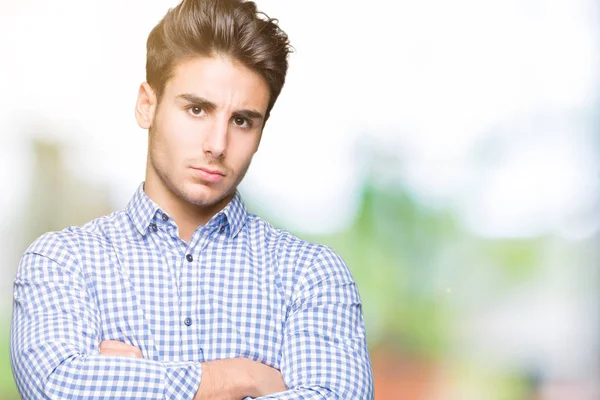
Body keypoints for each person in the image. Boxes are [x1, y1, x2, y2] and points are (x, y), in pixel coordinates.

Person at [10, 0, 374, 398]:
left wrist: (140, 382)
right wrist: (237, 379)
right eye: (197, 109)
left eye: (242, 121)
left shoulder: (312, 276)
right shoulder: (63, 263)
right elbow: (58, 386)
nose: (217, 145)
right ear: (147, 105)